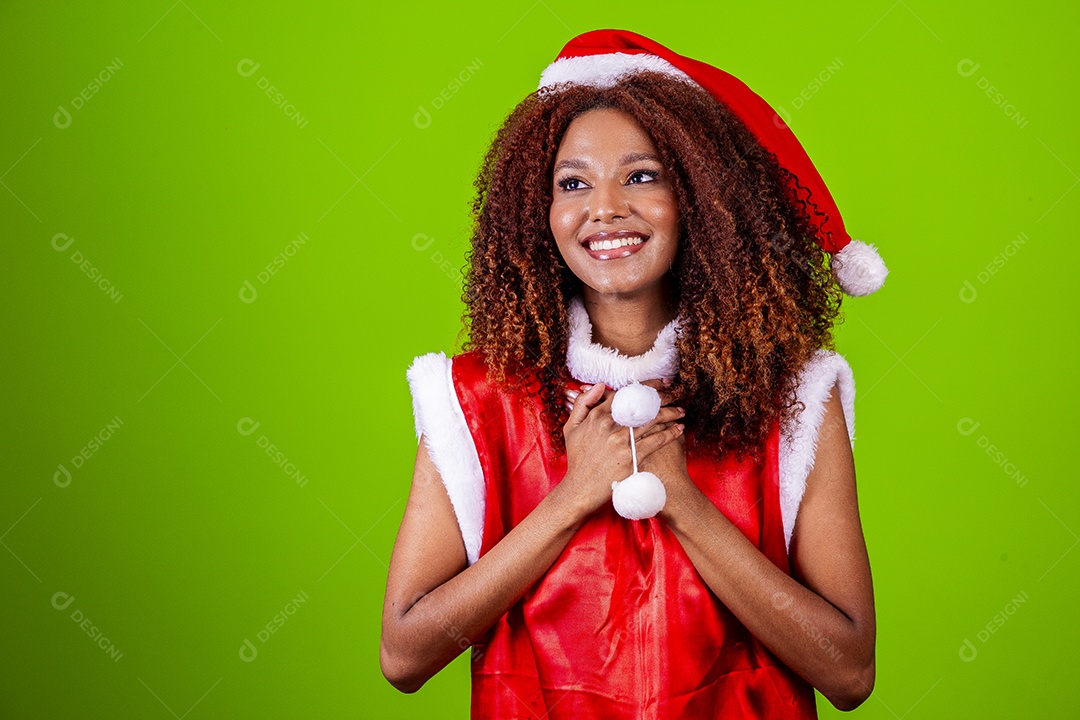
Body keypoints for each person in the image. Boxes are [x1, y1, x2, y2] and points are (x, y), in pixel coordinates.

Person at [381, 29, 885, 718]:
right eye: (573, 183)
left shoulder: (793, 396)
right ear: (540, 211)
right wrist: (572, 496)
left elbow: (849, 671)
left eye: (642, 176)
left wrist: (681, 498)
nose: (606, 207)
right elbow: (404, 655)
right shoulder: (475, 398)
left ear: (701, 200)